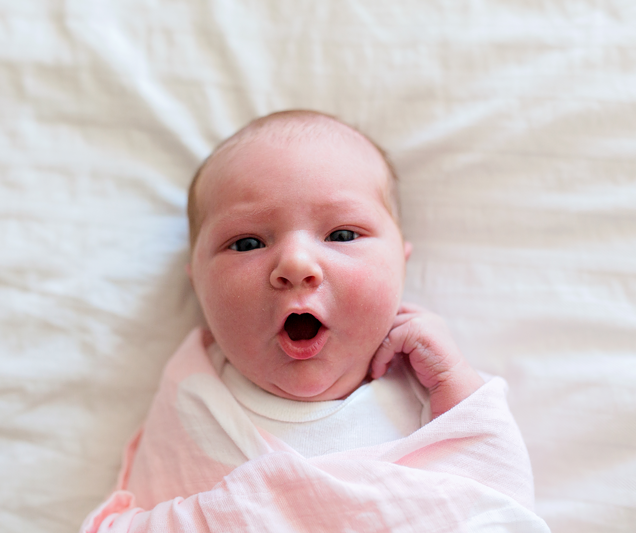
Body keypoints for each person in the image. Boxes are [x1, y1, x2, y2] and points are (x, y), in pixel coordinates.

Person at [81, 111, 547, 532]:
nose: (296, 262)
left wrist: (456, 388)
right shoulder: (195, 396)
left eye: (342, 234)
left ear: (401, 267)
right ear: (197, 283)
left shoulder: (435, 388)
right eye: (246, 244)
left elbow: (499, 506)